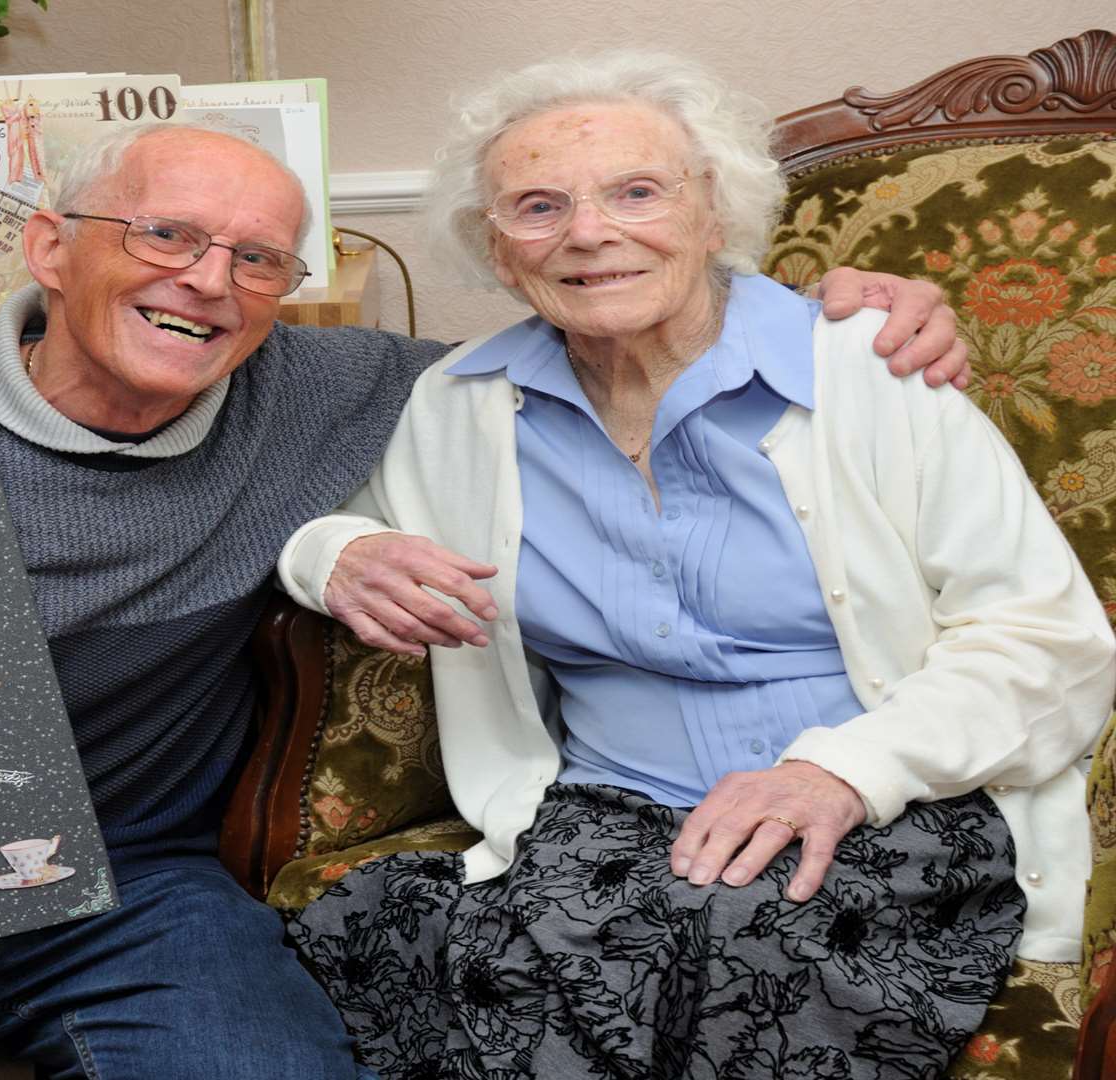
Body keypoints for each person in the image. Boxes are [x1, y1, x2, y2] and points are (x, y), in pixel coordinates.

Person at [0, 122, 970, 1079]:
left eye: (259, 259)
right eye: (166, 235)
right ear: (47, 244)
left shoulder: (332, 389)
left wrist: (821, 310)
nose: (210, 280)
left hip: (134, 885)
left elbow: (609, 328)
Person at [279, 53, 1116, 1079]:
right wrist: (340, 553)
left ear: (713, 212)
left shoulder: (870, 369)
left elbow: (1049, 638)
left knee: (730, 946)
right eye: (539, 206)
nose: (589, 233)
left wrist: (840, 772)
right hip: (601, 817)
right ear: (497, 249)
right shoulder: (461, 403)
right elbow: (344, 528)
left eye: (638, 192)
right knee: (445, 944)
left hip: (880, 812)